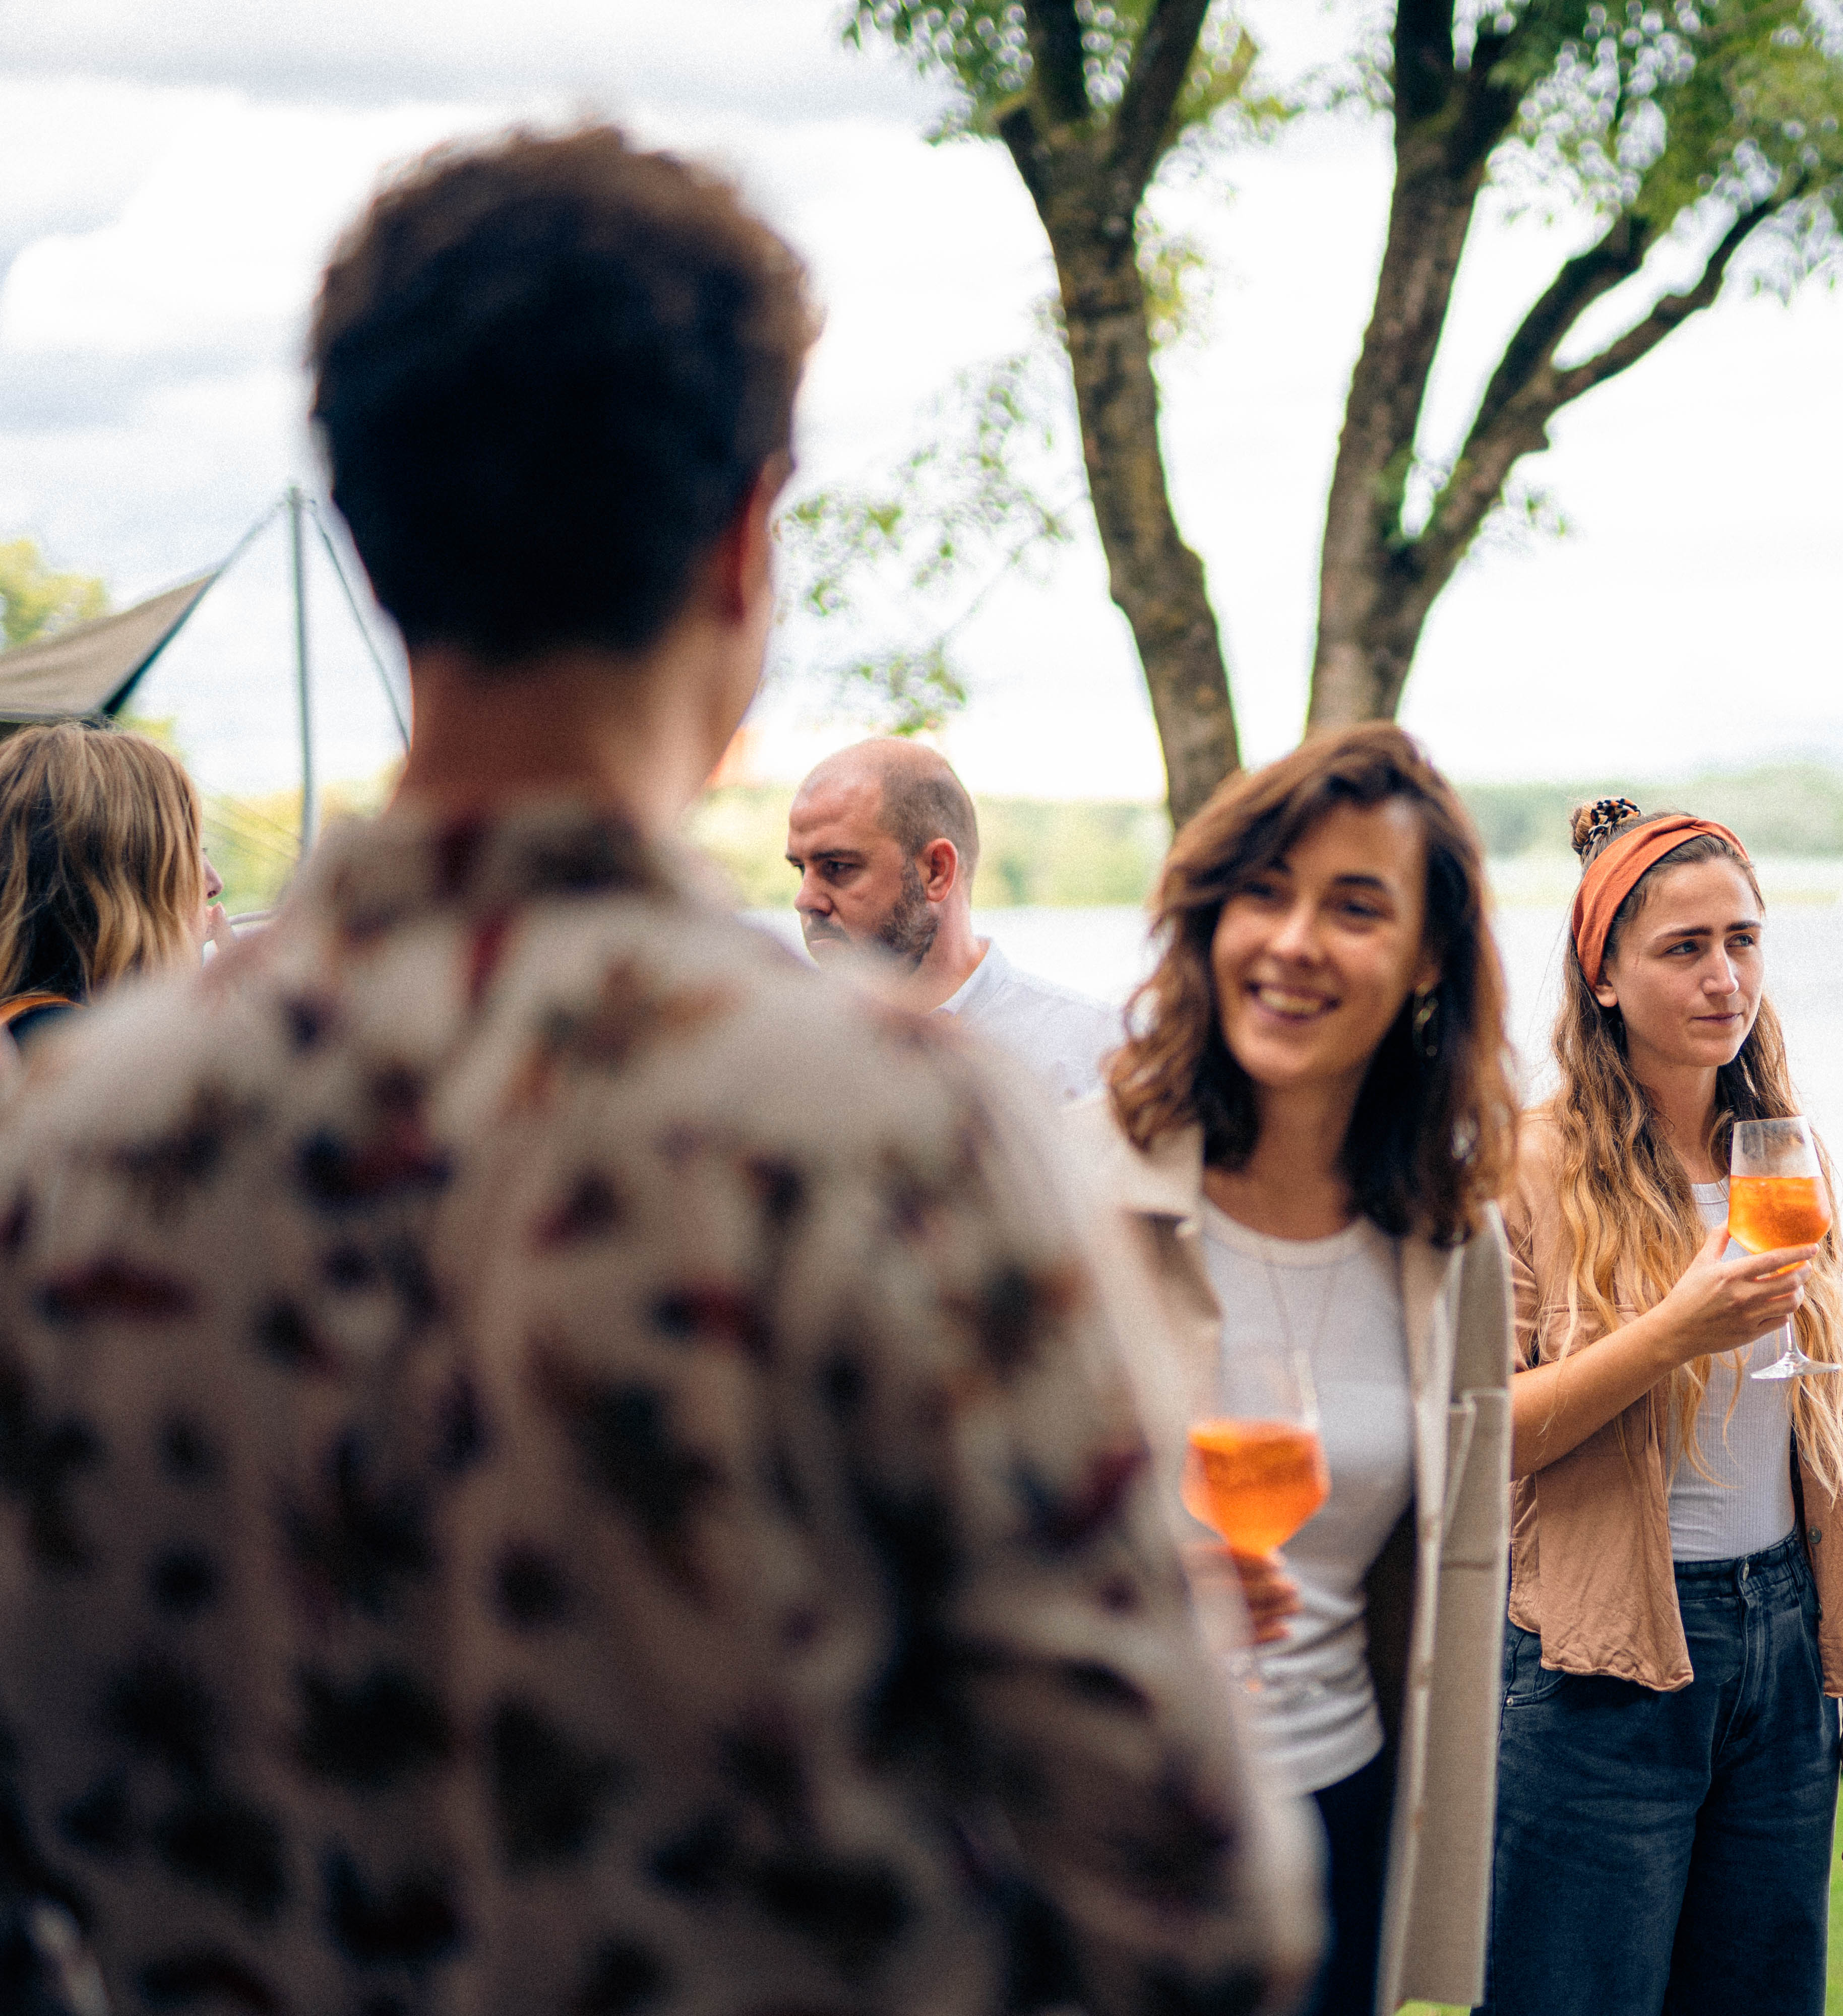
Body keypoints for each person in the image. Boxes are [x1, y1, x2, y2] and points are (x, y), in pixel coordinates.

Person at [0, 124, 1315, 2016]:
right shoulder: (895, 1137)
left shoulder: (76, 1156)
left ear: (370, 538)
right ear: (741, 538)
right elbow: (1197, 1917)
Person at [1070, 721, 1518, 2016]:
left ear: (1430, 954)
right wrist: (1121, 1581)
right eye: (1262, 892)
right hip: (1103, 1828)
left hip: (1340, 1815)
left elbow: (1456, 1563)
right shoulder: (1059, 1185)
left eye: (1355, 906)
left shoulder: (1450, 1238)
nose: (1295, 940)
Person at [1480, 798, 1843, 2016]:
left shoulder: (1783, 1156)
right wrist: (1673, 1331)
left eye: (1746, 940)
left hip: (1782, 1653)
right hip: (1601, 1661)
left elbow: (1820, 1435)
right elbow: (1479, 1434)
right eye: (1685, 948)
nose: (1728, 979)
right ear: (1602, 975)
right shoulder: (1525, 1164)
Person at [786, 736, 1118, 1100]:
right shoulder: (784, 1060)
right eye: (801, 869)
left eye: (837, 867)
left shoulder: (1094, 1058)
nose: (805, 899)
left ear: (936, 871)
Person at [0, 720, 227, 1049]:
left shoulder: (20, 1030)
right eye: (187, 854)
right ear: (117, 885)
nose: (214, 883)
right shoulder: (70, 1051)